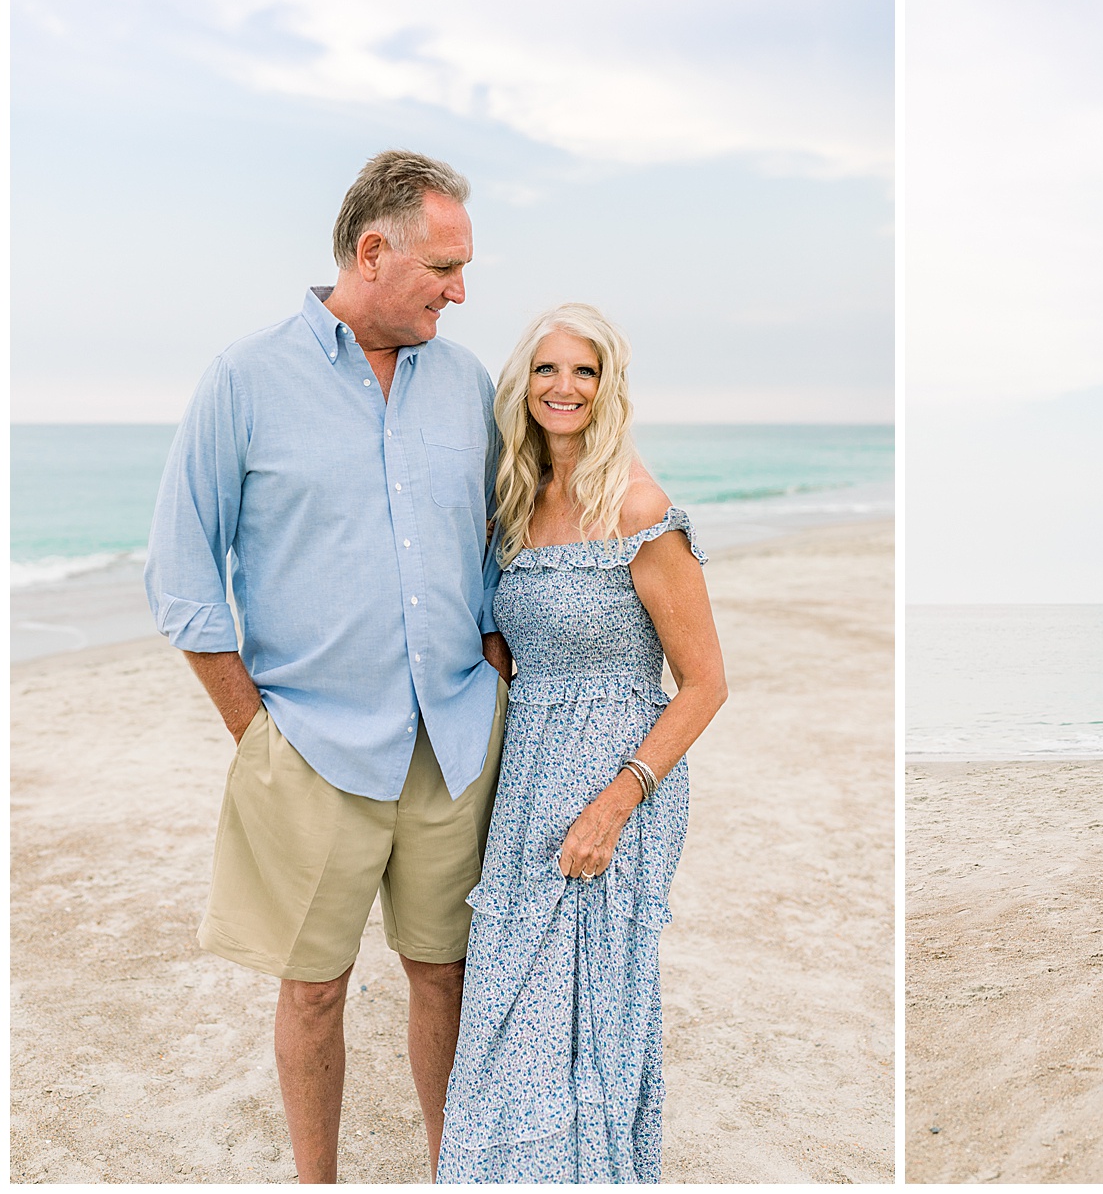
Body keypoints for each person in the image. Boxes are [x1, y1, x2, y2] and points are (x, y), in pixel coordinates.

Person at [144, 150, 510, 1182]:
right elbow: (180, 572)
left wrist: (491, 665)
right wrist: (257, 734)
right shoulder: (245, 377)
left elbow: (495, 544)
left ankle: (455, 1172)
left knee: (447, 975)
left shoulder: (468, 382)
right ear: (372, 250)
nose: (461, 290)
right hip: (311, 747)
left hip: (451, 743)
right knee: (313, 988)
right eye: (444, 266)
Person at [437, 303, 727, 1183]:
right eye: (548, 369)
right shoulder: (516, 505)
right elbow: (503, 643)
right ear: (523, 385)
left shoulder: (640, 508)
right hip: (528, 779)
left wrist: (614, 801)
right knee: (506, 1005)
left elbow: (706, 684)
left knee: (591, 1012)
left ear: (609, 390)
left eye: (585, 371)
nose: (564, 387)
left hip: (619, 783)